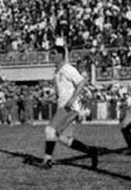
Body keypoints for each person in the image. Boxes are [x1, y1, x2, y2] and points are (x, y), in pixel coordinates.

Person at [40, 39, 98, 169]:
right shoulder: (57, 71)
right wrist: (51, 97)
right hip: (63, 106)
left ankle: (47, 160)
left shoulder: (67, 68)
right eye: (51, 54)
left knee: (50, 130)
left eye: (54, 53)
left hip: (69, 107)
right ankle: (91, 151)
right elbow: (62, 90)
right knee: (63, 139)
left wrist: (72, 99)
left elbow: (81, 82)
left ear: (61, 55)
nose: (52, 56)